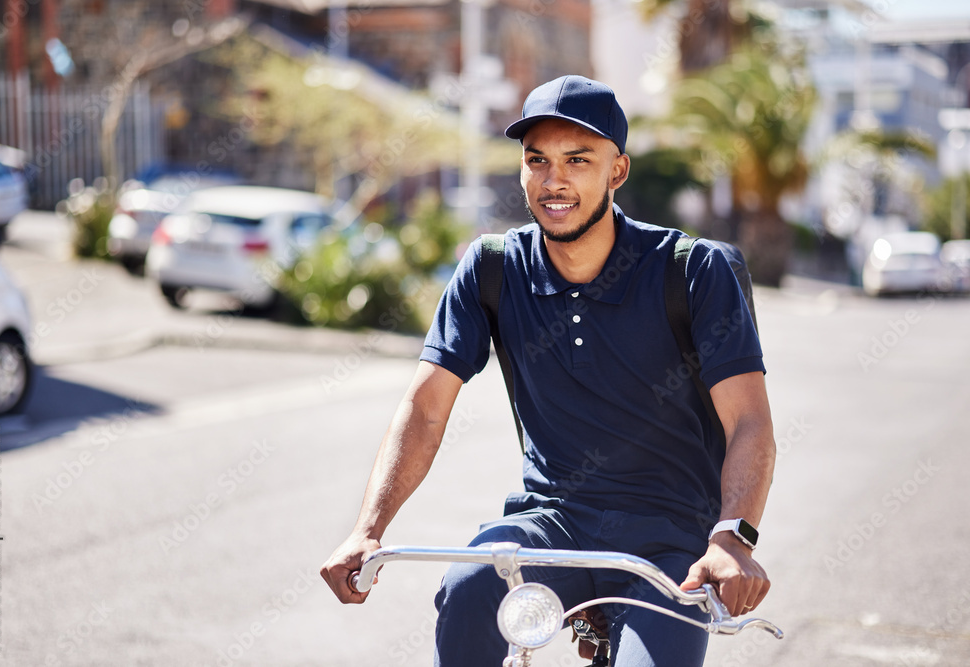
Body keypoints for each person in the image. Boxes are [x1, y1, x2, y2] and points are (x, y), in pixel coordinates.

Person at [321, 75, 776, 666]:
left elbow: (749, 421)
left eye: (578, 160)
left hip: (670, 540)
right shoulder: (493, 268)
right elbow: (426, 408)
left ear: (617, 171)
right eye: (537, 161)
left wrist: (732, 538)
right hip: (552, 524)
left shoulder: (691, 270)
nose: (553, 180)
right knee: (467, 590)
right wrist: (368, 528)